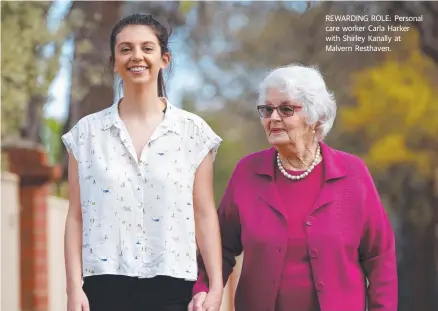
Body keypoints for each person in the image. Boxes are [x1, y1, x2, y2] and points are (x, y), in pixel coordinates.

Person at [189, 64, 398, 311]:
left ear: (314, 117)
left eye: (286, 109)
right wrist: (204, 289)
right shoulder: (247, 172)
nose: (273, 118)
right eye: (267, 110)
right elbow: (220, 245)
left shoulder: (353, 173)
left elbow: (379, 257)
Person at [62, 13, 224, 311]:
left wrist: (215, 287)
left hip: (174, 285)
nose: (137, 56)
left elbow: (204, 213)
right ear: (113, 62)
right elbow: (76, 216)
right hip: (103, 285)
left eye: (147, 48)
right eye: (125, 49)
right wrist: (73, 289)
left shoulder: (194, 132)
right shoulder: (85, 134)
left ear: (165, 59)